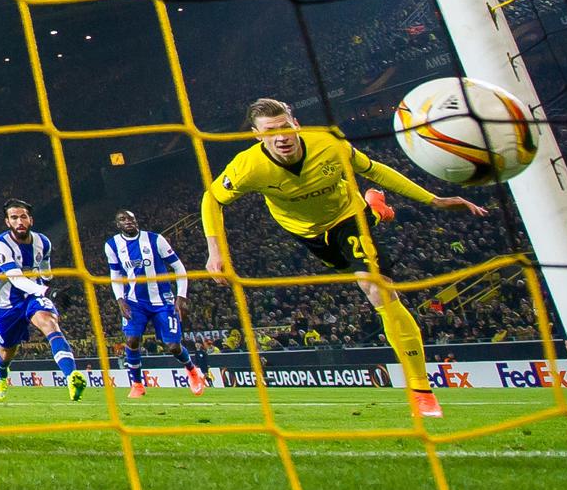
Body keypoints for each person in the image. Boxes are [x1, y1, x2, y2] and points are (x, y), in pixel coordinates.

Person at [202, 98, 488, 418]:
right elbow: (212, 199)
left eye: (285, 127)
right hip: (307, 233)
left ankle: (421, 390)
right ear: (257, 135)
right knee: (349, 261)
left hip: (346, 216)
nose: (281, 136)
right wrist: (215, 252)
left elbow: (372, 169)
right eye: (271, 131)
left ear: (296, 125)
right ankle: (377, 210)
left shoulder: (328, 143)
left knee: (376, 288)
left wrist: (433, 200)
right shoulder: (247, 167)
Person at [0, 198, 86, 401]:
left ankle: (71, 376)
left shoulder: (43, 242)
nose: (19, 221)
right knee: (7, 350)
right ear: (7, 222)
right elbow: (16, 279)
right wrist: (49, 291)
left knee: (50, 324)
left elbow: (45, 271)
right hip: (6, 303)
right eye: (13, 218)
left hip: (34, 296)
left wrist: (54, 288)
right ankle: (1, 374)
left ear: (30, 219)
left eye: (23, 216)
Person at [104, 209, 205, 398]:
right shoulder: (112, 245)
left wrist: (181, 296)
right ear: (118, 225)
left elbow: (178, 266)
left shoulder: (155, 239)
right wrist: (120, 299)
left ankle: (193, 371)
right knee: (131, 340)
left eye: (132, 218)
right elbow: (115, 273)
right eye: (123, 219)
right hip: (134, 302)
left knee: (173, 346)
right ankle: (137, 384)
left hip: (163, 301)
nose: (128, 222)